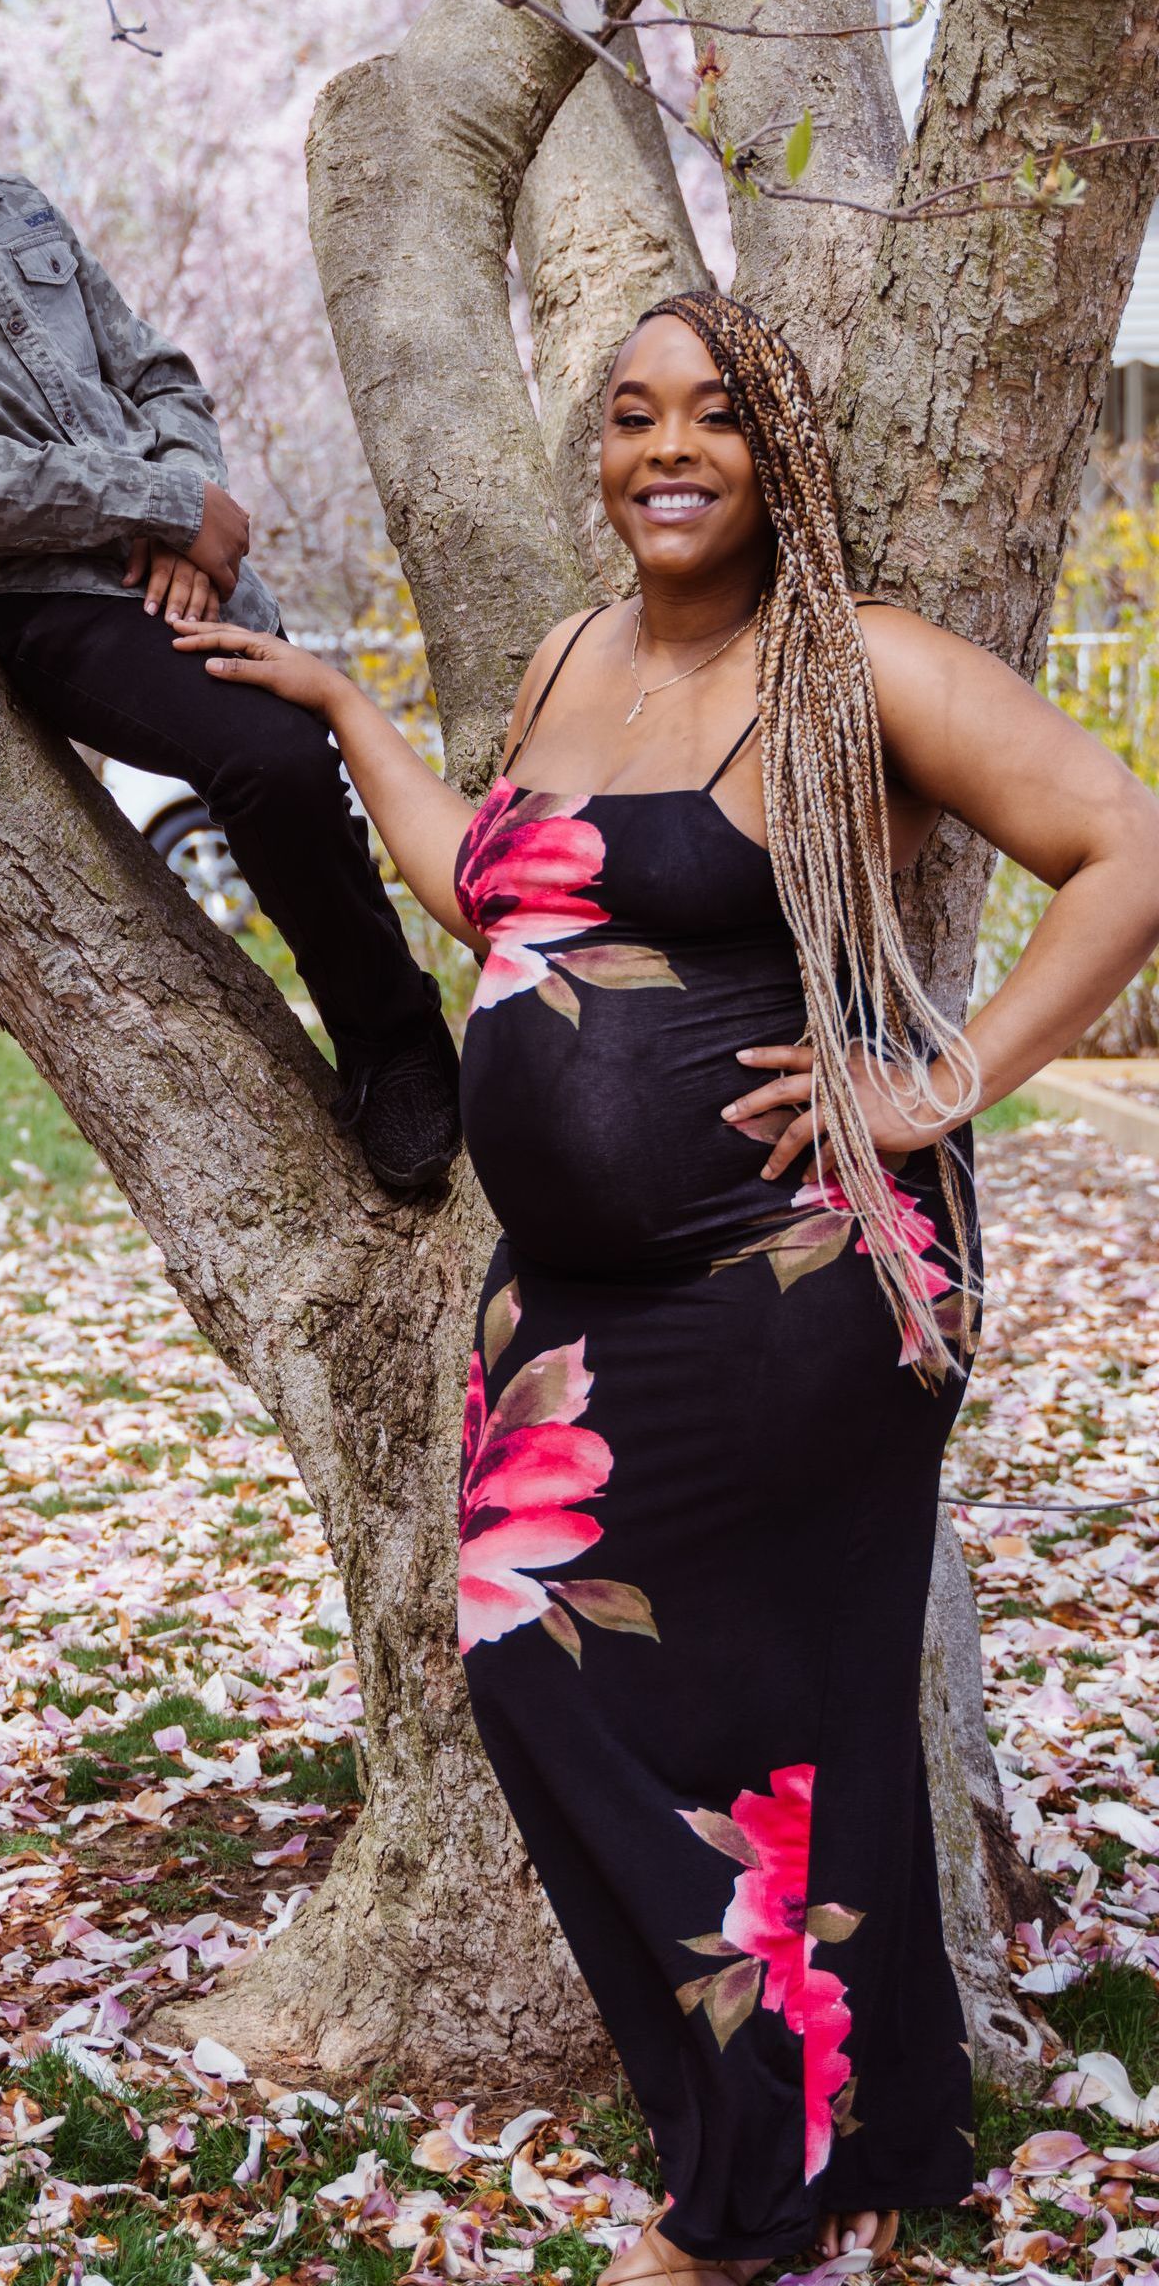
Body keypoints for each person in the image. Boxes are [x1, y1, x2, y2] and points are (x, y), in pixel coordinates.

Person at [169, 288, 1159, 2279]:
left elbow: (1126, 845)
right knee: (537, 1659)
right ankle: (840, 2125)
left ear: (770, 446)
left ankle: (747, 2197)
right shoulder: (563, 654)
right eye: (632, 417)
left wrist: (935, 1075)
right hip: (576, 1292)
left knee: (763, 1719)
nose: (668, 447)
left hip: (798, 1267)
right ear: (600, 453)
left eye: (712, 413)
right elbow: (498, 890)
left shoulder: (855, 666)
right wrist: (352, 718)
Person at [0, 0, 460, 1196]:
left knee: (307, 773)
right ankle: (397, 1047)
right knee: (271, 751)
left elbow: (157, 370)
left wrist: (187, 502)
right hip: (46, 604)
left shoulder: (16, 209)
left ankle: (411, 1035)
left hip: (187, 567)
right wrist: (163, 502)